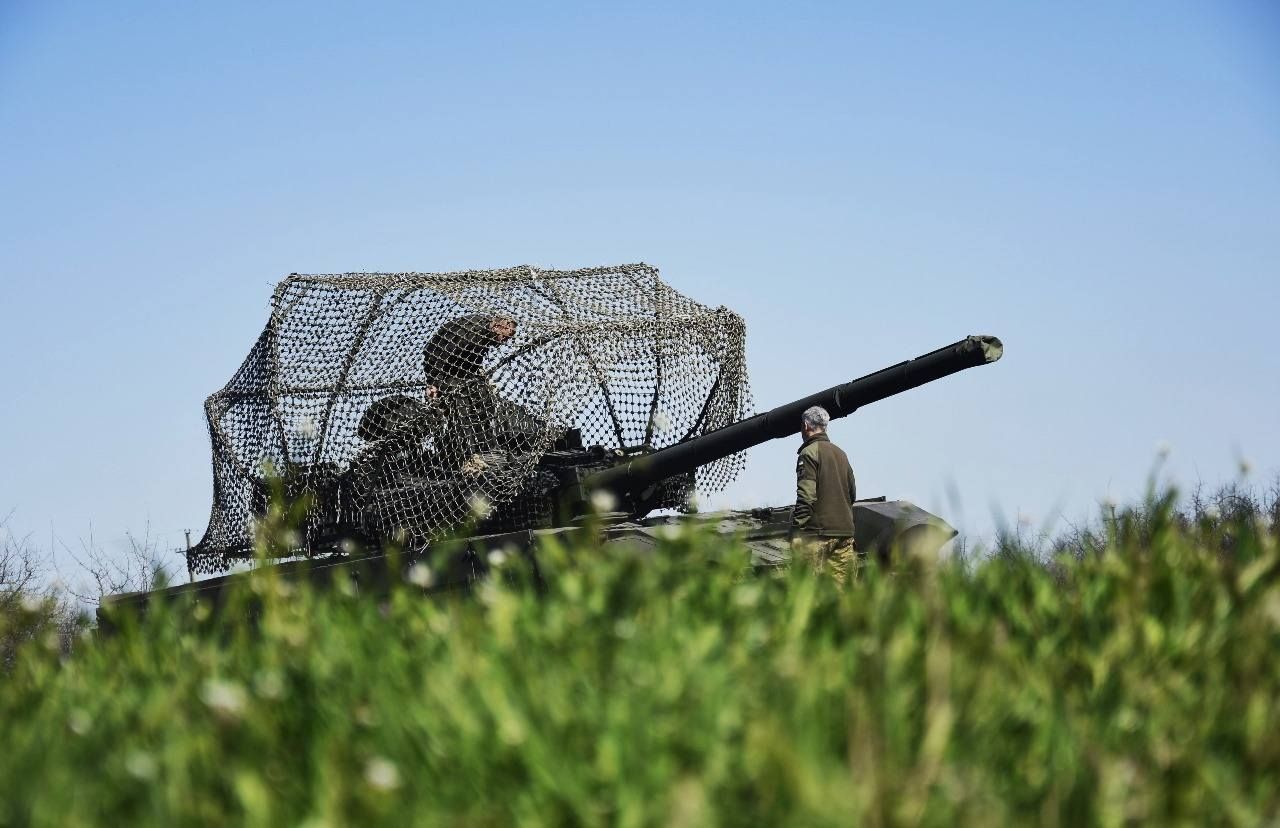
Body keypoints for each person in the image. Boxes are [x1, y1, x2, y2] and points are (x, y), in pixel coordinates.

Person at [791, 405, 858, 583]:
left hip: (817, 535)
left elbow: (806, 497)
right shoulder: (841, 454)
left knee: (806, 592)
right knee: (840, 595)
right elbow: (852, 493)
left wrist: (797, 531)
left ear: (806, 425)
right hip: (844, 533)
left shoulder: (808, 453)